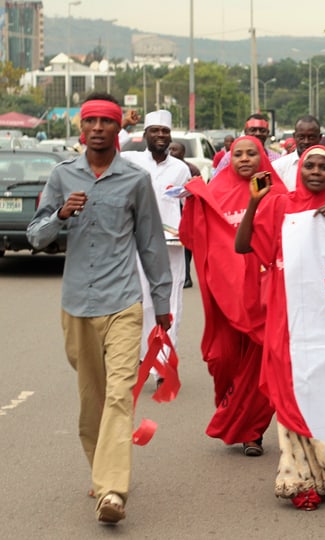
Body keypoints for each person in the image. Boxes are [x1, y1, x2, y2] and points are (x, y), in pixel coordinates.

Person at [27, 92, 172, 525]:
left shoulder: (134, 179)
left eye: (105, 121)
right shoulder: (61, 176)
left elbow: (150, 242)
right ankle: (101, 468)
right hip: (76, 305)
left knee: (118, 395)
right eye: (89, 120)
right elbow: (36, 237)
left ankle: (111, 490)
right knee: (91, 398)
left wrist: (161, 302)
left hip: (123, 301)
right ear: (81, 128)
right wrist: (61, 217)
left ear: (117, 129)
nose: (96, 128)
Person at [235, 144, 325, 510]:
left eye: (324, 166)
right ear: (299, 169)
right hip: (286, 312)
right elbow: (242, 244)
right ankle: (300, 475)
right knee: (289, 387)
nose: (316, 172)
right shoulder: (279, 204)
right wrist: (254, 202)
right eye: (309, 165)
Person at [179, 136, 287, 457]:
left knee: (259, 367)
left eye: (251, 153)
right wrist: (193, 204)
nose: (244, 159)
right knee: (223, 359)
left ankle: (252, 432)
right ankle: (232, 412)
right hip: (225, 299)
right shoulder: (215, 194)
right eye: (237, 154)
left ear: (262, 157)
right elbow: (192, 237)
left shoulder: (278, 193)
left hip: (263, 298)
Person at [120, 110, 191, 388]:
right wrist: (125, 125)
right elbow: (112, 148)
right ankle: (142, 357)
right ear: (146, 135)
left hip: (172, 247)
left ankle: (163, 365)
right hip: (138, 244)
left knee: (171, 303)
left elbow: (189, 207)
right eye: (155, 131)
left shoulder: (181, 169)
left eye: (165, 131)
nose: (160, 135)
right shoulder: (132, 161)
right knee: (143, 303)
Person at [168, 141, 201, 289]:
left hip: (185, 212)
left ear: (182, 152)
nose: (171, 152)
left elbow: (197, 190)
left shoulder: (191, 169)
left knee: (186, 248)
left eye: (175, 150)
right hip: (170, 212)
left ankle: (186, 277)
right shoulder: (167, 168)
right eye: (170, 149)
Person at [210, 114, 279, 177]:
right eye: (253, 130)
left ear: (267, 133)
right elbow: (216, 182)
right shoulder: (229, 158)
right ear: (246, 132)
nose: (258, 133)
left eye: (262, 130)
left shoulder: (277, 159)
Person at [272, 115, 323, 190]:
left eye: (311, 137)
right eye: (301, 137)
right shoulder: (278, 167)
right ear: (294, 136)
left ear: (320, 138)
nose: (306, 142)